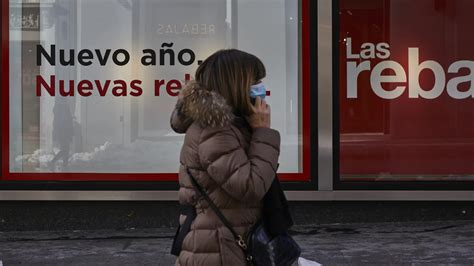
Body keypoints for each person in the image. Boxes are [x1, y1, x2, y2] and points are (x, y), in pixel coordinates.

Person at [170, 49, 280, 265]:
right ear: (236, 85)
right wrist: (262, 133)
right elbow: (249, 186)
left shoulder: (229, 125)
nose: (261, 87)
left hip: (222, 244)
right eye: (255, 80)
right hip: (220, 250)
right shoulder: (216, 131)